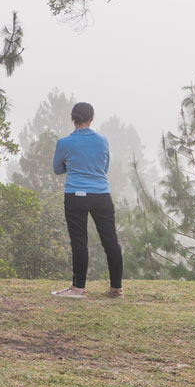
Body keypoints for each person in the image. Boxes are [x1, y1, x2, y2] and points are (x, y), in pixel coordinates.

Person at [50, 101, 123, 298]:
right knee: (111, 241)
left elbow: (57, 169)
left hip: (75, 195)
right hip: (102, 195)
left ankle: (77, 289)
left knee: (79, 242)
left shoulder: (64, 143)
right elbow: (104, 168)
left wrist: (72, 167)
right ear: (92, 118)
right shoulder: (102, 141)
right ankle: (116, 288)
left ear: (73, 118)